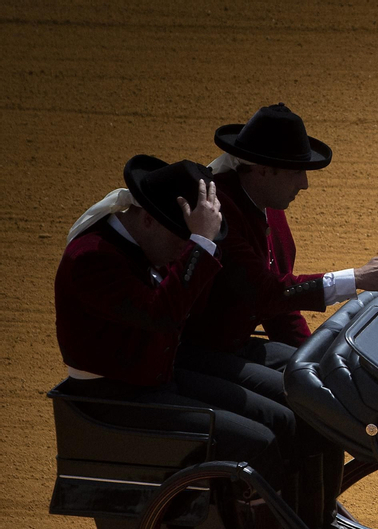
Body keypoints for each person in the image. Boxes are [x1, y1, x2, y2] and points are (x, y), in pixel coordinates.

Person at [188, 103, 378, 529]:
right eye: (296, 172)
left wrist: (315, 364)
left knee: (322, 395)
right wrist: (355, 279)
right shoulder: (225, 211)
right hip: (198, 354)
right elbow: (267, 292)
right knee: (298, 415)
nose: (305, 184)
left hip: (232, 345)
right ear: (263, 169)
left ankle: (319, 525)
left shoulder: (266, 206)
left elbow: (280, 308)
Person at [56, 155, 288, 481]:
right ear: (148, 219)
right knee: (258, 442)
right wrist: (200, 245)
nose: (183, 253)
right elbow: (160, 314)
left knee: (281, 419)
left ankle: (306, 511)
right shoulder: (91, 257)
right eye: (182, 240)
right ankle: (268, 515)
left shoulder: (145, 242)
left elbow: (192, 307)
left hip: (160, 378)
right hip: (114, 398)